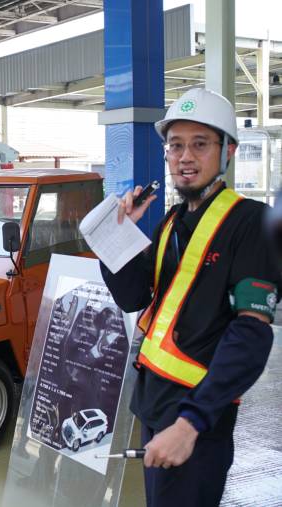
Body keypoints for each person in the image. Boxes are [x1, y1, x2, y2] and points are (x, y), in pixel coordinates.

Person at [99, 88, 279, 507]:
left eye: (200, 144)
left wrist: (190, 423)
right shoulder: (170, 224)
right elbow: (132, 298)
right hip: (154, 405)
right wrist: (117, 237)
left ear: (227, 151)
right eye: (175, 146)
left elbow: (252, 335)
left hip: (196, 416)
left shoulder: (252, 224)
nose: (185, 157)